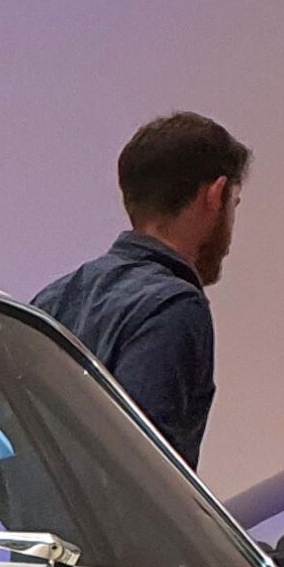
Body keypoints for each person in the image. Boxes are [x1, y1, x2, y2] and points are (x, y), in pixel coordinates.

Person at [31, 113, 247, 470]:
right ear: (216, 194)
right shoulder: (174, 307)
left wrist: (42, 513)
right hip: (119, 529)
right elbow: (144, 474)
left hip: (39, 527)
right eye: (233, 205)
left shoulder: (53, 299)